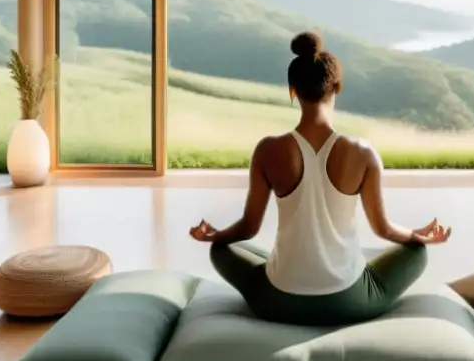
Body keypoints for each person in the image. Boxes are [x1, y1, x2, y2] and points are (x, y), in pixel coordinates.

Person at [189, 31, 451, 326]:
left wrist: (215, 235)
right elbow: (384, 229)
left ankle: (281, 267)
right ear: (337, 88)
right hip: (348, 302)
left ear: (292, 90)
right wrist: (417, 235)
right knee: (417, 254)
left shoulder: (268, 150)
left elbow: (249, 228)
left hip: (278, 302)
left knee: (223, 248)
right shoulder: (363, 153)